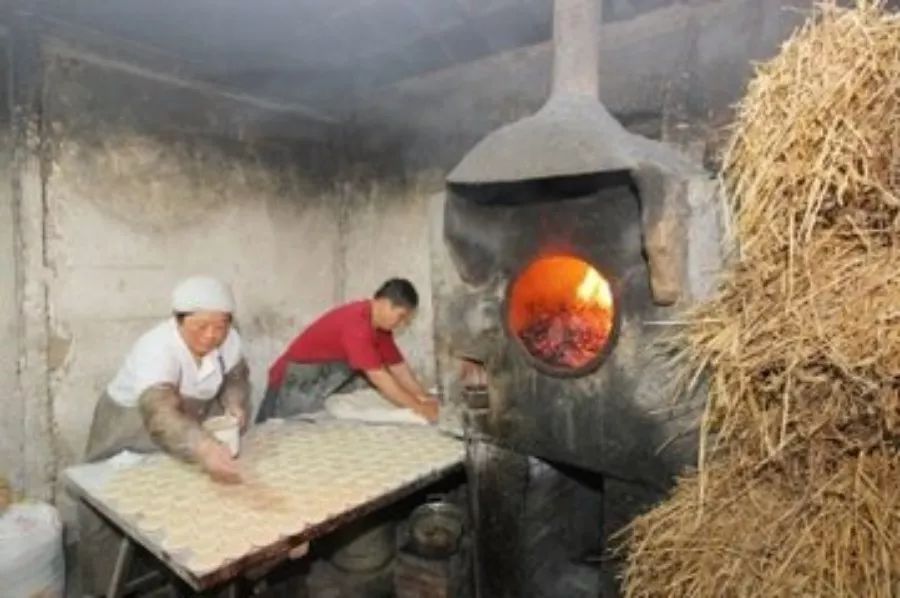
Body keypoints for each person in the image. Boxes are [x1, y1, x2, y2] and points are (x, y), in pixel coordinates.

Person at [78, 276, 251, 596]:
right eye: (201, 326)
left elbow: (237, 375)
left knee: (183, 502)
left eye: (221, 325)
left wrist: (235, 402)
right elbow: (159, 414)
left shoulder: (229, 341)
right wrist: (204, 447)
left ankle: (180, 578)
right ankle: (98, 588)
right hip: (130, 425)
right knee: (106, 503)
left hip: (184, 423)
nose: (212, 335)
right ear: (178, 320)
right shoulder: (157, 348)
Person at [257, 278, 439, 424]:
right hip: (290, 382)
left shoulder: (381, 331)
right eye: (401, 316)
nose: (402, 323)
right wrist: (418, 408)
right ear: (384, 303)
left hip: (314, 386)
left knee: (305, 432)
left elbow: (399, 368)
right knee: (271, 437)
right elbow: (379, 377)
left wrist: (424, 397)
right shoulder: (356, 323)